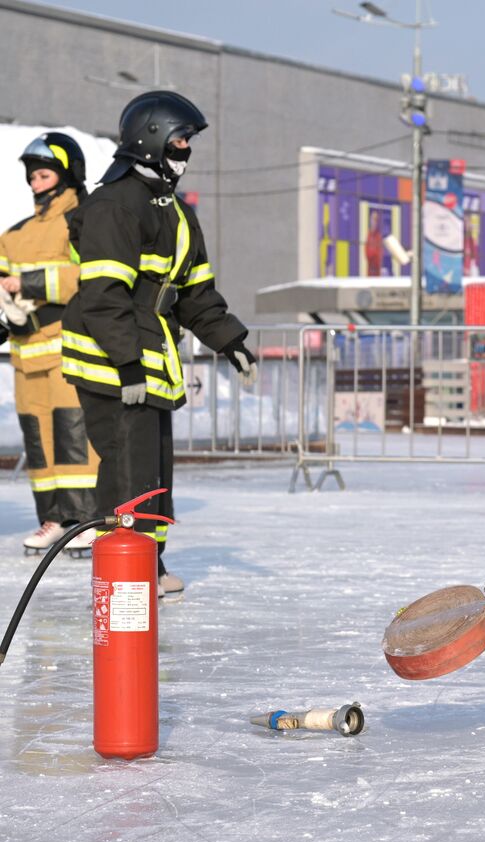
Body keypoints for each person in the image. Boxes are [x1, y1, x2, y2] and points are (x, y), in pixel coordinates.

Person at [62, 91, 257, 598]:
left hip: (148, 356)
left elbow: (193, 292)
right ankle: (124, 572)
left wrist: (228, 340)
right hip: (112, 361)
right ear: (148, 139)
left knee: (152, 470)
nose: (186, 149)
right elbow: (103, 295)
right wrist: (126, 364)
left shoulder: (173, 209)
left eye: (188, 141)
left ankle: (148, 562)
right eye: (179, 139)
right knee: (127, 468)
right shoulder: (114, 205)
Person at [0, 133, 100, 555]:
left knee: (74, 436)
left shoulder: (84, 221)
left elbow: (91, 275)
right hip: (26, 353)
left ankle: (88, 519)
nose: (35, 183)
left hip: (66, 347)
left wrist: (30, 282)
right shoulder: (14, 234)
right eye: (32, 176)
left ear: (67, 174)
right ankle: (55, 520)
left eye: (43, 174)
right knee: (39, 442)